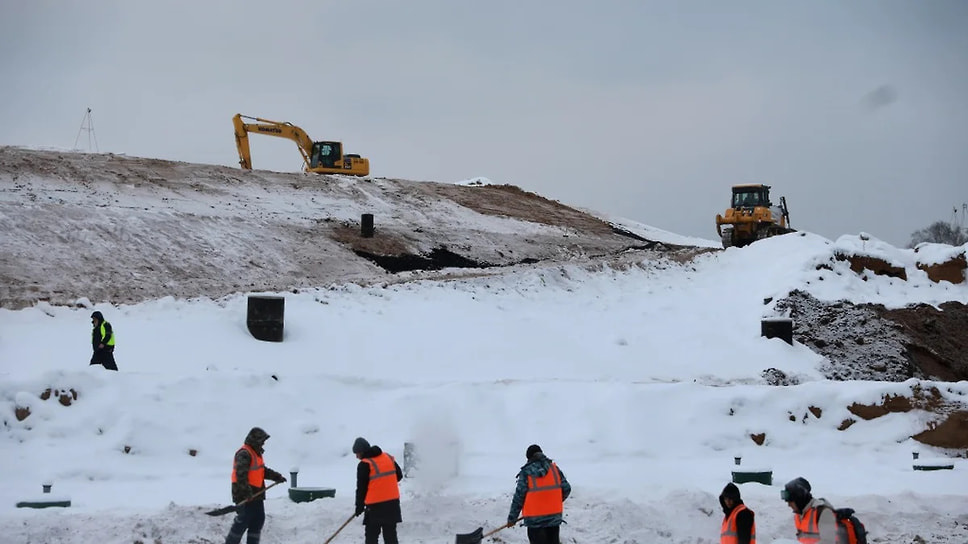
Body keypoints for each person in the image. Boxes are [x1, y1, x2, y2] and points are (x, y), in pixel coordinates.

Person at [224, 427, 286, 544]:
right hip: (244, 495)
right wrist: (247, 493)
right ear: (255, 440)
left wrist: (276, 476)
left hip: (256, 494)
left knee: (257, 521)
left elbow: (261, 471)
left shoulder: (255, 453)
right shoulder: (244, 453)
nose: (263, 443)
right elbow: (241, 476)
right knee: (242, 523)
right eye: (262, 440)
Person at [506, 444, 572, 544]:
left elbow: (519, 497)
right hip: (553, 519)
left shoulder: (526, 472)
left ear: (528, 457)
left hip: (534, 521)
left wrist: (512, 518)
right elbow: (566, 488)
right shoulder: (554, 469)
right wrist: (554, 501)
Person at [353, 436, 403, 544]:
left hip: (375, 507)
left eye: (357, 453)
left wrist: (359, 506)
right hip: (392, 505)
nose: (357, 457)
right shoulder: (388, 457)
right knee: (391, 537)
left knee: (371, 537)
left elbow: (361, 488)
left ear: (362, 451)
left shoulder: (364, 465)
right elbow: (399, 476)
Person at [781, 476, 839, 543]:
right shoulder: (799, 515)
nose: (789, 505)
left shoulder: (823, 512)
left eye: (791, 502)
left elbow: (829, 541)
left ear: (799, 499)